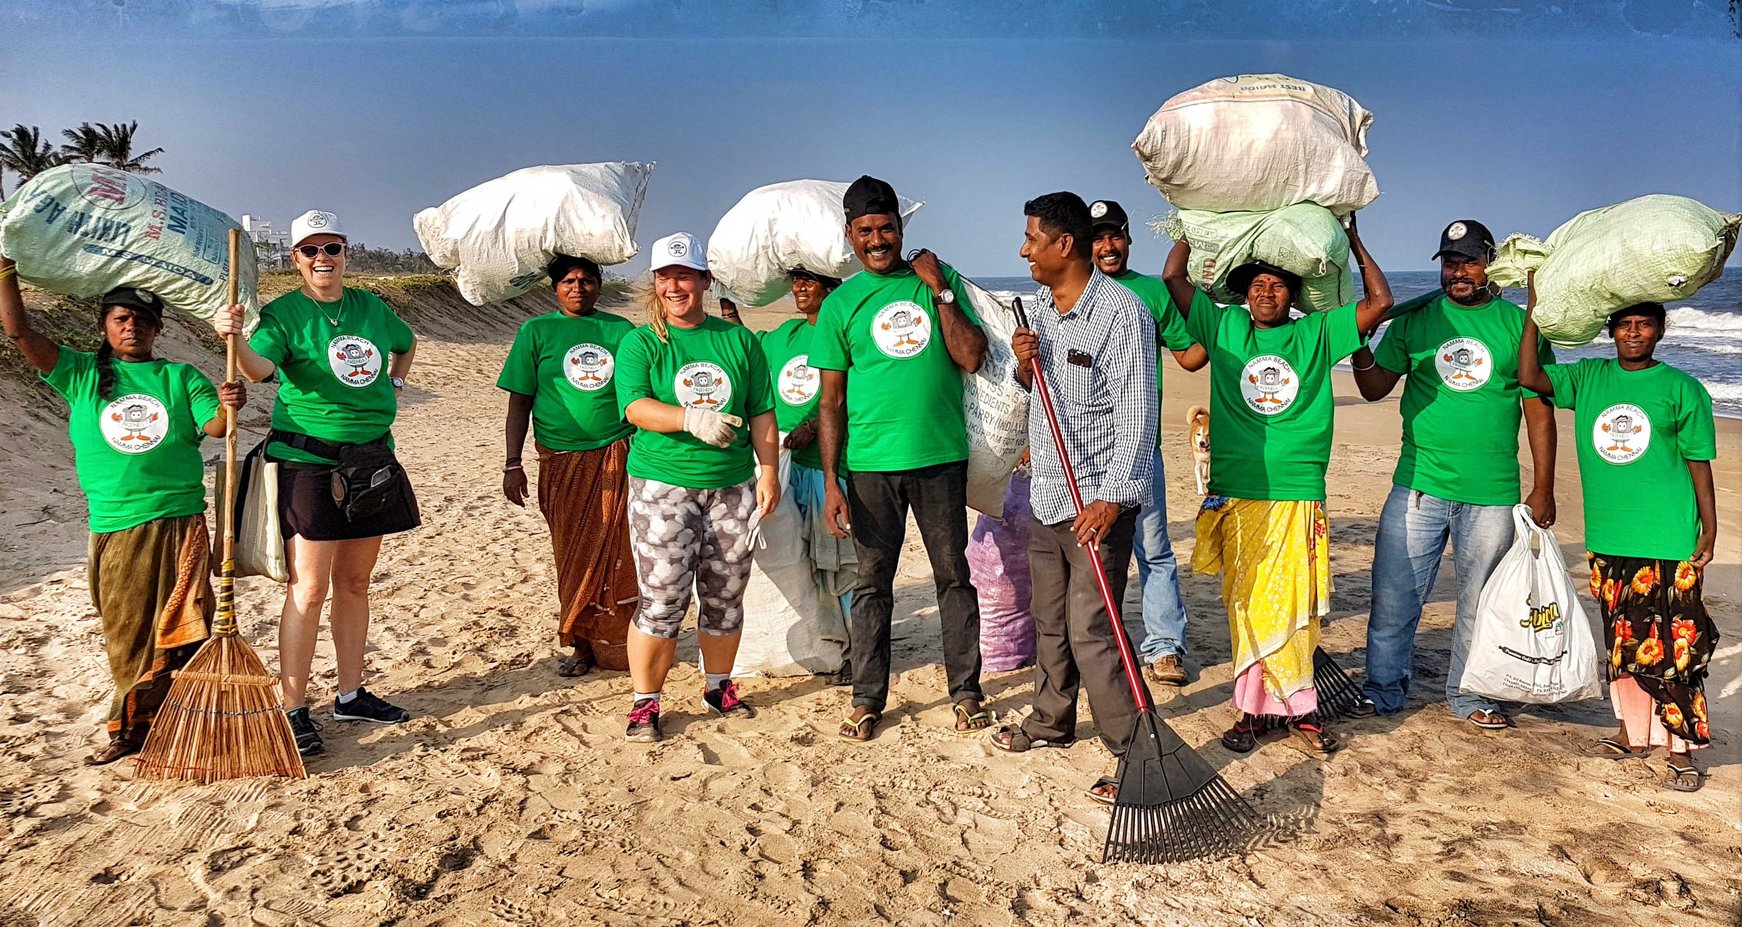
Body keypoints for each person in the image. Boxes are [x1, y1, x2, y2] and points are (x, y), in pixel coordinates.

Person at [1162, 215, 1392, 756]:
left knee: (1296, 605)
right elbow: (1175, 279)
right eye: (1257, 285)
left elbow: (1378, 302)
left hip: (1299, 489)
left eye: (1277, 284)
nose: (1267, 292)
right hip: (1240, 488)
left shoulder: (1315, 333)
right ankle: (1250, 712)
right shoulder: (1223, 329)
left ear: (1293, 294)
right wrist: (1192, 222)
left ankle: (1300, 710)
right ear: (1243, 295)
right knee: (1246, 602)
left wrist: (1356, 242)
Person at [1, 258, 244, 764]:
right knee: (127, 632)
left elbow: (219, 427)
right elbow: (20, 333)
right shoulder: (81, 374)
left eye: (141, 320)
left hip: (180, 520)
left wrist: (230, 399)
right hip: (115, 523)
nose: (131, 326)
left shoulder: (180, 376)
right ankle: (131, 728)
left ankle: (186, 723)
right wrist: (6, 274)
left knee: (186, 631)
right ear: (105, 327)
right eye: (120, 318)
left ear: (157, 329)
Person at [215, 209, 420, 757]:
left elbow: (406, 342)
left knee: (355, 584)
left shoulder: (372, 308)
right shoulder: (283, 314)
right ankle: (294, 708)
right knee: (307, 585)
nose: (323, 258)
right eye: (311, 250)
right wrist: (232, 340)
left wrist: (396, 381)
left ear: (347, 254)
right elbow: (258, 371)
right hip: (307, 460)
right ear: (295, 259)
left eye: (333, 248)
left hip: (372, 457)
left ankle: (350, 694)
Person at [1351, 220, 1558, 729]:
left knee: (1481, 601)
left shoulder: (1519, 325)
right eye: (1449, 262)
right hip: (1418, 484)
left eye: (1468, 261)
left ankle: (1470, 695)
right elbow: (1375, 388)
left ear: (1491, 264)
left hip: (1492, 492)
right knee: (1395, 593)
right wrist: (1358, 345)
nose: (1457, 272)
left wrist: (1544, 486)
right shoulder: (1416, 320)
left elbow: (1538, 409)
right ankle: (1382, 689)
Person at [989, 193, 1156, 807]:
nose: (1024, 249)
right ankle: (1050, 721)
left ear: (1064, 245)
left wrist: (1112, 499)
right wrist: (1023, 366)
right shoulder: (1035, 310)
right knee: (1049, 620)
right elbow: (1035, 394)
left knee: (1093, 630)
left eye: (1032, 238)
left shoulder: (1122, 315)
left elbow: (1139, 417)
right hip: (1049, 491)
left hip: (1098, 502)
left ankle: (1134, 752)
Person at [811, 175, 992, 742]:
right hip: (869, 468)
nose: (877, 239)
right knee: (872, 585)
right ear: (850, 235)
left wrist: (939, 287)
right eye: (865, 231)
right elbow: (831, 399)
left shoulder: (937, 282)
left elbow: (970, 356)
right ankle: (868, 698)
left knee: (953, 578)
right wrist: (834, 481)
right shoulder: (840, 303)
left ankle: (966, 692)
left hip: (940, 457)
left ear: (901, 227)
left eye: (886, 227)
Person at [1517, 289, 1717, 793]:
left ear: (1660, 331)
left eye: (1644, 324)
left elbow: (1698, 462)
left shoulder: (1682, 387)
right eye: (1624, 324)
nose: (1633, 332)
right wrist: (1537, 310)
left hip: (1669, 537)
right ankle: (1632, 732)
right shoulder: (1588, 378)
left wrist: (1709, 527)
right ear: (1611, 332)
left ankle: (1681, 746)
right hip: (1609, 534)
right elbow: (1531, 377)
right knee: (1623, 641)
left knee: (1678, 645)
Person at [613, 231, 780, 743]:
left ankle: (718, 687)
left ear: (705, 280)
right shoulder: (642, 342)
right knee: (662, 598)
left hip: (732, 487)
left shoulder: (738, 340)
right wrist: (690, 419)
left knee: (726, 594)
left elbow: (762, 411)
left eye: (685, 275)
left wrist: (768, 472)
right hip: (663, 486)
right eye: (665, 277)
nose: (674, 285)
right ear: (655, 284)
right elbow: (635, 406)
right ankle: (646, 702)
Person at [498, 254, 638, 677]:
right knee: (572, 554)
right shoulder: (536, 331)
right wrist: (511, 463)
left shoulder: (621, 330)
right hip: (560, 461)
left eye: (587, 280)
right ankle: (579, 644)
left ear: (599, 284)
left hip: (620, 454)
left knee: (622, 551)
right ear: (554, 288)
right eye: (568, 281)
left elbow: (643, 387)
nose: (578, 287)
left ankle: (620, 643)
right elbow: (519, 400)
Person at [1087, 199, 1207, 687]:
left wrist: (1222, 322)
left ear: (1128, 239)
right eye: (1097, 238)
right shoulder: (1072, 294)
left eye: (1114, 235)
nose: (1107, 246)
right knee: (1091, 552)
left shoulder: (1151, 294)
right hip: (1083, 451)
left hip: (1139, 448)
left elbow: (1190, 357)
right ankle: (1099, 645)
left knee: (1153, 550)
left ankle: (1162, 648)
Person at [758, 268, 857, 682]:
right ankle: (819, 646)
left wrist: (814, 427)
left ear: (831, 288)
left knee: (837, 564)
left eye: (810, 281)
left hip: (828, 469)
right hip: (785, 466)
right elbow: (749, 361)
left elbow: (850, 386)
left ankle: (853, 647)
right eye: (795, 280)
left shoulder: (844, 333)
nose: (799, 288)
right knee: (796, 560)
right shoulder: (783, 336)